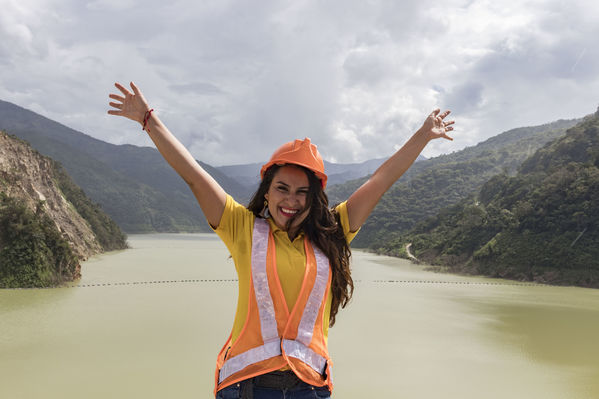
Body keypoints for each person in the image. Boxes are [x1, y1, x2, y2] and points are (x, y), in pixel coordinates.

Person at [108, 82, 454, 399]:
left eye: (302, 192)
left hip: (310, 388)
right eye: (282, 189)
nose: (291, 201)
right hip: (248, 387)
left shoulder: (333, 232)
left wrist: (422, 136)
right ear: (267, 191)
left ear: (314, 197)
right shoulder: (242, 228)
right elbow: (195, 177)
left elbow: (380, 181)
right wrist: (147, 120)